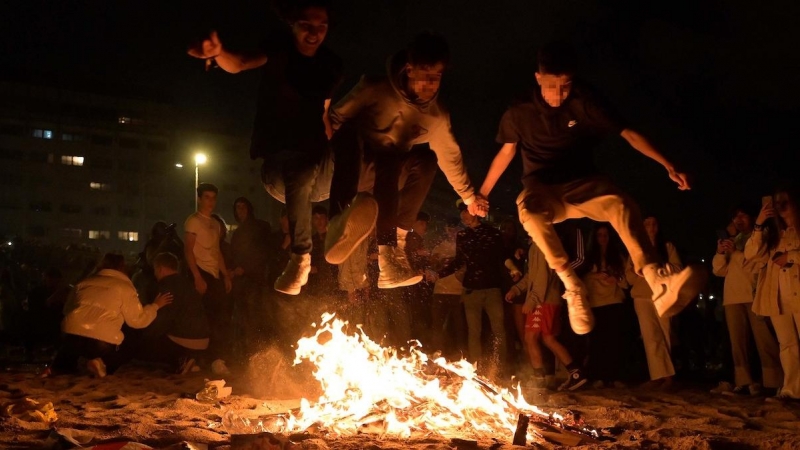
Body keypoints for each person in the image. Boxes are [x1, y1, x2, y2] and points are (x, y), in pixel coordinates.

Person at [478, 41, 703, 336]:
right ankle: (572, 287)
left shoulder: (585, 100)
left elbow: (630, 134)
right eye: (551, 86)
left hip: (584, 184)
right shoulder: (519, 110)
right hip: (542, 188)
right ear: (538, 78)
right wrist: (482, 193)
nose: (558, 95)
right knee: (529, 212)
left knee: (620, 204)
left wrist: (668, 165)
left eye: (565, 86)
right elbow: (507, 152)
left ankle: (656, 279)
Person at [188, 0, 342, 295]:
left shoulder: (331, 65)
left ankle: (366, 233)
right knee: (301, 168)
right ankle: (300, 259)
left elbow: (324, 114)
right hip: (279, 172)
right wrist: (219, 53)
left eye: (321, 27)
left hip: (317, 173)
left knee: (350, 136)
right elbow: (242, 62)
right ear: (292, 23)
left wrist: (339, 157)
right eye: (306, 26)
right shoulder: (279, 50)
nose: (314, 34)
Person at [326, 31, 488, 289]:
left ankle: (392, 254)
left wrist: (469, 198)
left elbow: (451, 157)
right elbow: (333, 120)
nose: (430, 85)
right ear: (409, 69)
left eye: (436, 78)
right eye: (425, 77)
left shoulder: (436, 116)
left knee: (425, 159)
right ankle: (337, 223)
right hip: (351, 168)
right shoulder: (374, 87)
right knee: (364, 139)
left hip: (386, 183)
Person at [53, 254, 172, 378]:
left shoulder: (83, 283)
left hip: (71, 338)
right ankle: (104, 363)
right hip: (100, 344)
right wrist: (155, 306)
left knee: (72, 343)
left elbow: (67, 310)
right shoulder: (124, 287)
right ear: (123, 268)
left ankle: (61, 366)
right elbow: (137, 321)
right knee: (132, 338)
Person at [711, 204, 782, 396]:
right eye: (735, 217)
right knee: (738, 343)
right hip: (732, 298)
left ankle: (774, 381)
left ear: (752, 217)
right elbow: (719, 270)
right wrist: (720, 252)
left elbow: (757, 263)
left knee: (764, 339)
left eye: (743, 215)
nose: (738, 220)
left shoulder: (760, 237)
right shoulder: (732, 241)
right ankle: (743, 381)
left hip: (754, 295)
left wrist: (737, 252)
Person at [430, 203, 506, 373]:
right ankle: (475, 367)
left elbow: (501, 256)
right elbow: (459, 261)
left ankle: (500, 366)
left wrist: (513, 268)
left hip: (492, 288)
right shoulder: (463, 235)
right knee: (474, 331)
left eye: (466, 211)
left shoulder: (492, 233)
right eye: (462, 212)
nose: (463, 215)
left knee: (498, 329)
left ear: (475, 213)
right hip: (471, 289)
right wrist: (439, 274)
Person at [507, 241, 587, 391]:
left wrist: (532, 300)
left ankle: (539, 380)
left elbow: (542, 277)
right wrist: (516, 289)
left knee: (530, 338)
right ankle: (576, 373)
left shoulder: (539, 246)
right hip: (548, 299)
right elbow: (532, 275)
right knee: (548, 338)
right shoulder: (537, 246)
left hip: (543, 301)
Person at [745, 185, 800, 402]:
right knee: (787, 345)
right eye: (776, 203)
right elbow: (751, 253)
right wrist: (759, 223)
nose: (781, 207)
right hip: (778, 296)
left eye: (785, 201)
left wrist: (792, 256)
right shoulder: (771, 234)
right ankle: (792, 390)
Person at [133, 252, 210, 374]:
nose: (155, 274)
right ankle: (193, 361)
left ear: (161, 268)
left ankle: (181, 360)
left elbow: (163, 319)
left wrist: (145, 336)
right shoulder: (187, 283)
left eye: (155, 270)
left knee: (142, 347)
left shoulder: (166, 286)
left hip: (184, 340)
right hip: (203, 340)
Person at [625, 216, 679, 389]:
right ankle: (660, 376)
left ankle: (665, 377)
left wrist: (661, 268)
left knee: (664, 334)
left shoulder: (667, 247)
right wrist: (639, 270)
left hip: (663, 295)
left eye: (654, 224)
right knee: (650, 337)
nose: (651, 227)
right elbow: (629, 278)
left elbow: (677, 268)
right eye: (647, 224)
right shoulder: (635, 249)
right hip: (642, 297)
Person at [184, 183, 233, 374]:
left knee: (219, 318)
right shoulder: (193, 221)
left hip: (214, 274)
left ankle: (215, 359)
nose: (210, 201)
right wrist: (196, 276)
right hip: (200, 272)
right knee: (199, 318)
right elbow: (188, 250)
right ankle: (195, 359)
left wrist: (225, 275)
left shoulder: (215, 224)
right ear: (199, 198)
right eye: (206, 197)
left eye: (213, 197)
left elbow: (217, 251)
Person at [583, 223, 629, 387]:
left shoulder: (617, 256)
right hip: (596, 302)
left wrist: (615, 279)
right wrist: (596, 276)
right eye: (599, 235)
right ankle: (599, 377)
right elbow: (584, 280)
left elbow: (626, 281)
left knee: (614, 341)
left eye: (605, 235)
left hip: (614, 301)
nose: (603, 238)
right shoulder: (588, 258)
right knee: (598, 341)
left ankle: (615, 376)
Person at [230, 197, 273, 357]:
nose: (240, 210)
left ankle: (259, 352)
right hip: (242, 283)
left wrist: (246, 268)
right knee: (244, 319)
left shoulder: (260, 227)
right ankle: (246, 354)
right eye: (237, 207)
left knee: (256, 318)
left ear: (249, 208)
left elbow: (264, 252)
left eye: (243, 207)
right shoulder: (237, 232)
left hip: (256, 281)